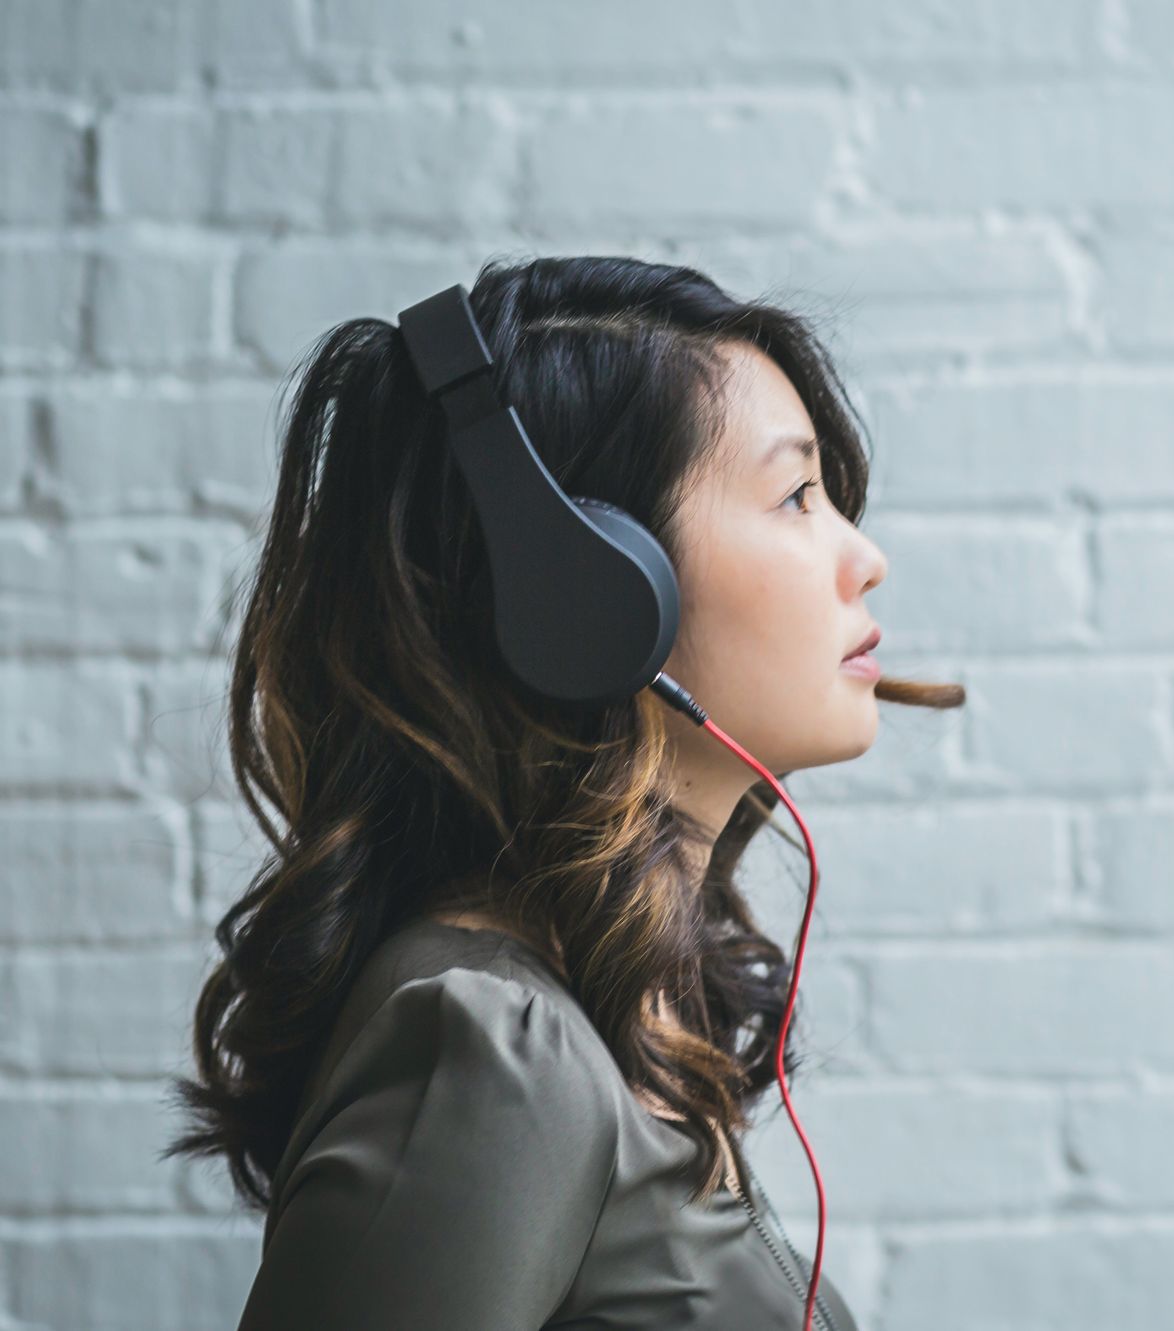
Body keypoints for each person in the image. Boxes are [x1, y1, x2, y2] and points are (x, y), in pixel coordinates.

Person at [161, 255, 966, 1329]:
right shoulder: (489, 1045)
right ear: (584, 594)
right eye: (795, 496)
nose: (863, 557)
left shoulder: (588, 1012)